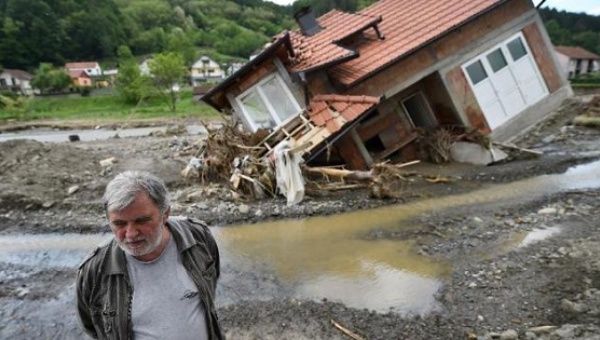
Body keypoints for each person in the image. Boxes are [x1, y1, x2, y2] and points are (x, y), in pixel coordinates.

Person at [76, 171, 223, 339]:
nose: (130, 234)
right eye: (119, 224)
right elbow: (92, 326)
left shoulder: (197, 236)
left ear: (165, 214)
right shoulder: (94, 271)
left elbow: (211, 285)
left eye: (142, 221)